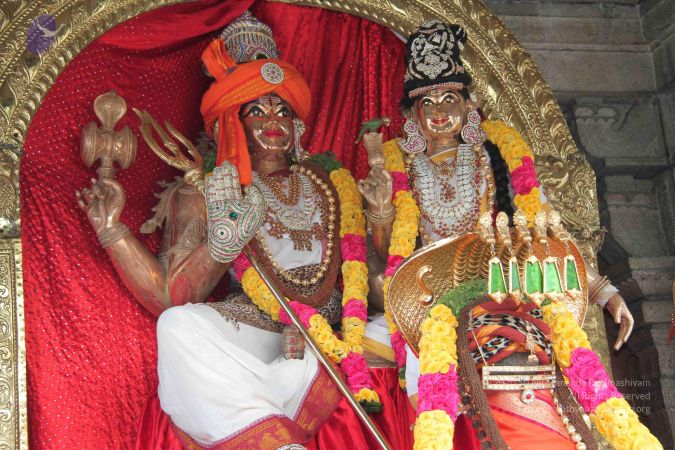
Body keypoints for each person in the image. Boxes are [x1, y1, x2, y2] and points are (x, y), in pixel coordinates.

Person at [77, 12, 386, 449]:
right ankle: (276, 441)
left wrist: (381, 219)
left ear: (298, 125)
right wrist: (117, 231)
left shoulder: (333, 184)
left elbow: (374, 287)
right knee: (178, 327)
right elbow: (171, 296)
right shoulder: (206, 189)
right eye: (256, 110)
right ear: (231, 124)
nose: (272, 119)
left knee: (403, 329)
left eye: (281, 109)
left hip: (333, 328)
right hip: (254, 327)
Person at [358, 20, 652, 449]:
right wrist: (381, 209)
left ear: (469, 106)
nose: (439, 110)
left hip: (499, 287)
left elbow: (546, 233)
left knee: (524, 347)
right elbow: (387, 257)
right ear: (411, 116)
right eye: (427, 102)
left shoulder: (498, 155)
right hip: (425, 296)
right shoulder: (397, 166)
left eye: (450, 98)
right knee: (360, 352)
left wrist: (603, 291)